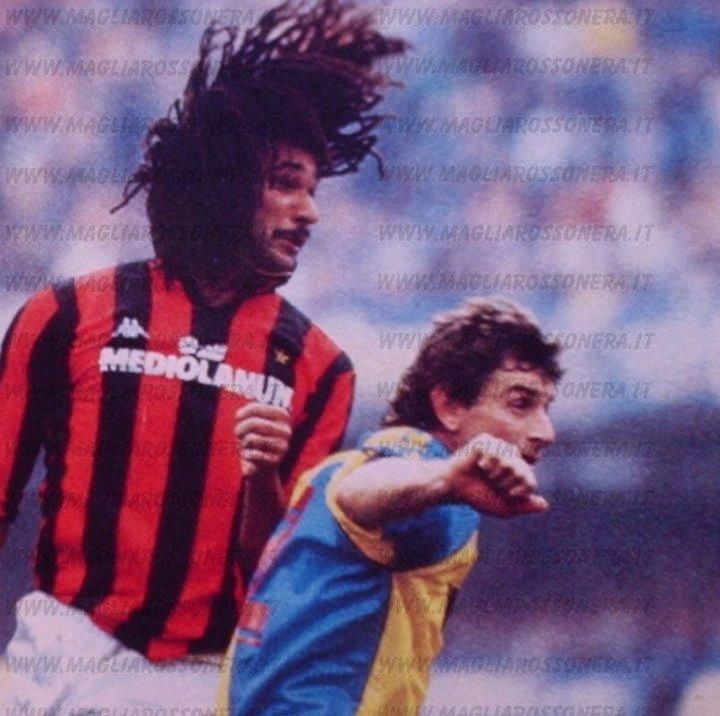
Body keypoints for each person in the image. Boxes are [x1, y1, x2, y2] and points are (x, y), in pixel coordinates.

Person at [0, 1, 406, 710]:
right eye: (286, 183)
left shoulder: (320, 369)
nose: (310, 210)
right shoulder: (65, 316)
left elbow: (284, 578)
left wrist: (264, 479)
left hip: (200, 680)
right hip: (57, 661)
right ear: (224, 179)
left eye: (313, 190)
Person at [225, 297, 563, 714]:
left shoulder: (331, 470)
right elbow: (360, 495)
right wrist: (446, 481)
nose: (546, 431)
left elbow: (266, 567)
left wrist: (262, 477)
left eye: (546, 407)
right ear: (450, 406)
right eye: (521, 403)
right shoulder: (436, 494)